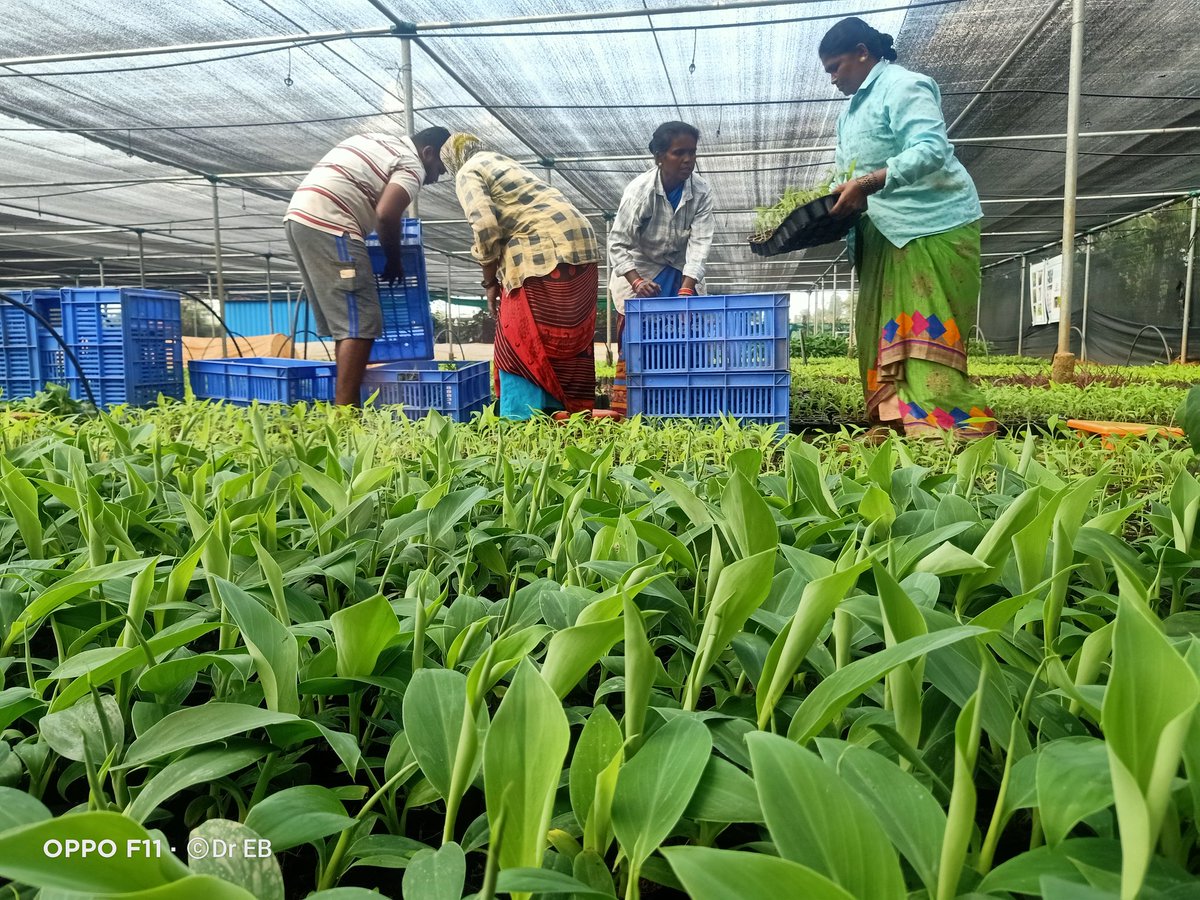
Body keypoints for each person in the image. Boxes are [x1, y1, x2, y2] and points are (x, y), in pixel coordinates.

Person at [820, 17, 996, 439]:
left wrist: (866, 184)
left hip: (932, 224)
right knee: (878, 329)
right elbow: (845, 170)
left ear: (863, 52)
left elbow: (931, 148)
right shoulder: (850, 112)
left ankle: (953, 429)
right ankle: (892, 423)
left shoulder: (903, 85)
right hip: (883, 231)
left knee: (924, 325)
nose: (833, 79)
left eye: (837, 67)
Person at [284, 126, 450, 406]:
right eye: (440, 166)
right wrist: (394, 262)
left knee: (349, 325)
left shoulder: (377, 140)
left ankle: (346, 407)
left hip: (300, 218)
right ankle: (346, 416)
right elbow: (386, 215)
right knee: (362, 322)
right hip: (332, 223)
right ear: (428, 152)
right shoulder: (411, 164)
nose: (440, 174)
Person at [442, 133, 601, 419]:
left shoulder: (468, 171)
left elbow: (486, 227)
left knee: (518, 341)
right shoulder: (506, 164)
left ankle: (523, 419)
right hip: (582, 251)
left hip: (543, 255)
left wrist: (489, 282)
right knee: (562, 345)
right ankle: (567, 416)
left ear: (453, 160)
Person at [607, 121, 716, 416]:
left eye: (692, 153)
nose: (687, 160)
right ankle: (635, 413)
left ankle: (683, 410)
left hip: (681, 271)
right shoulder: (640, 192)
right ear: (658, 156)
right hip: (642, 269)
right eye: (678, 153)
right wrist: (637, 280)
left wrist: (686, 288)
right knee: (641, 345)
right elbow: (617, 243)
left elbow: (700, 242)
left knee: (687, 339)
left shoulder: (701, 192)